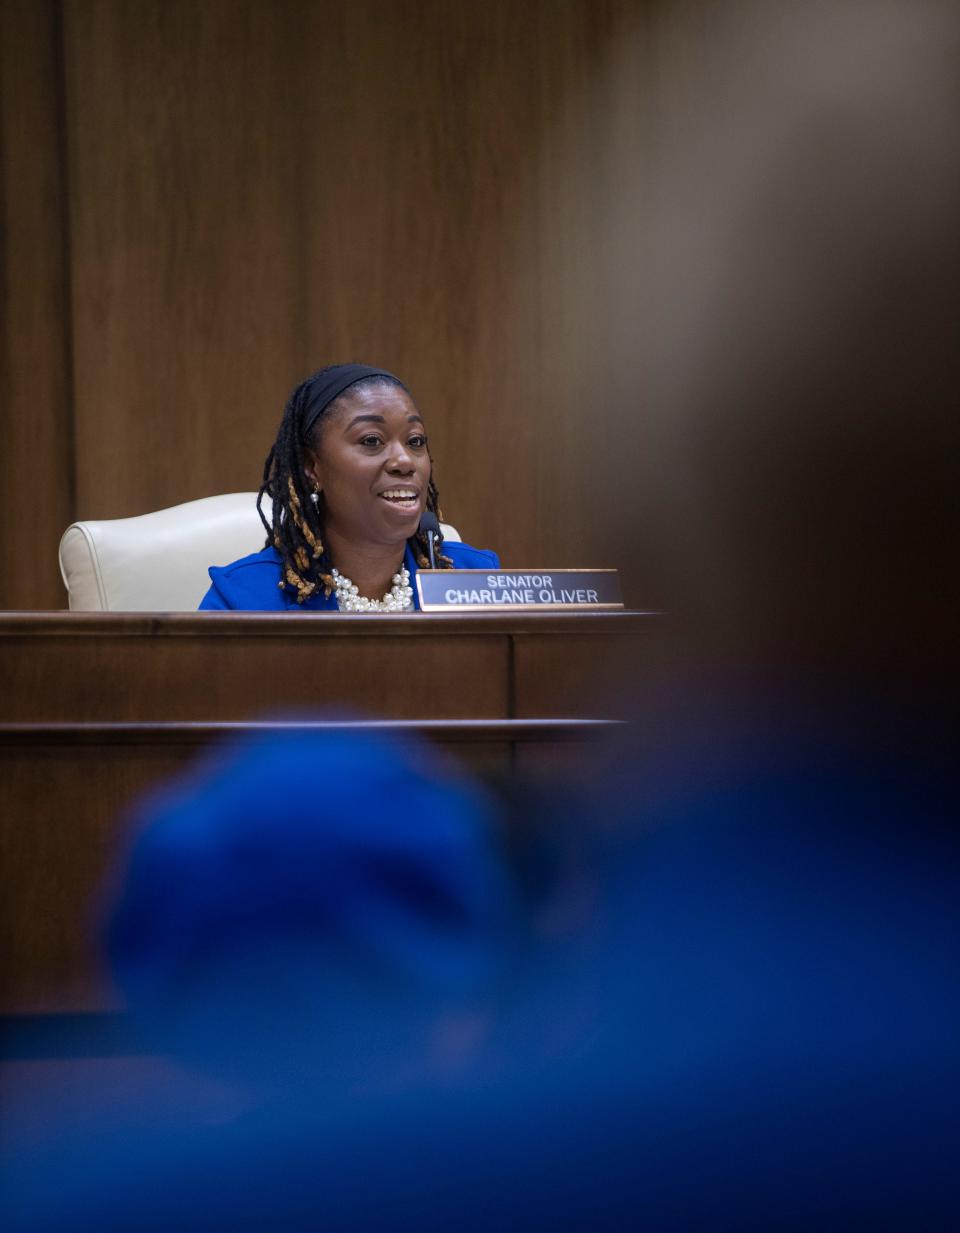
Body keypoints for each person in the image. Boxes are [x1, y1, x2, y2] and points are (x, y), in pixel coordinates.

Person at [199, 364, 498, 610]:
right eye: (371, 441)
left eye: (415, 441)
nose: (405, 461)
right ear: (311, 467)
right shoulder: (242, 599)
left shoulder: (476, 577)